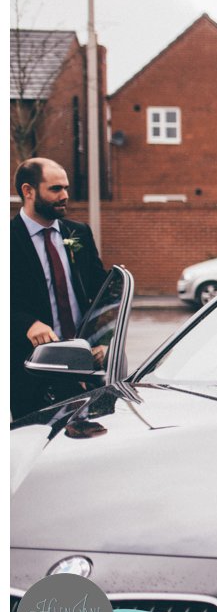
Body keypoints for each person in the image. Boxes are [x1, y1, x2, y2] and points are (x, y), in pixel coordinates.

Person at [10, 158, 108, 418]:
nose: (65, 195)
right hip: (31, 374)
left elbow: (103, 294)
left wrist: (105, 341)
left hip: (83, 368)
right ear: (28, 191)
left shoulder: (79, 233)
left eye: (65, 188)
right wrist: (27, 324)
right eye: (55, 189)